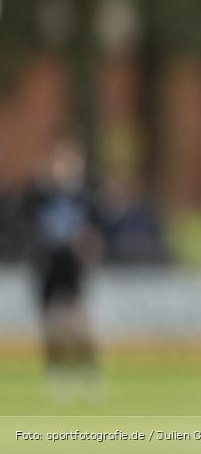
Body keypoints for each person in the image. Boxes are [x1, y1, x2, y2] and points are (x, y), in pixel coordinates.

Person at [19, 133, 104, 401]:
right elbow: (24, 220)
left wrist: (90, 243)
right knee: (51, 324)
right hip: (47, 264)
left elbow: (95, 229)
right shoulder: (41, 192)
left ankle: (88, 370)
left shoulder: (85, 195)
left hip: (71, 265)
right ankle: (56, 372)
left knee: (78, 323)